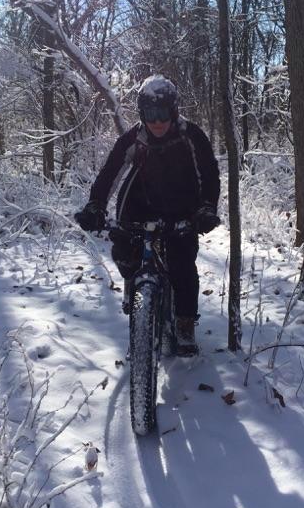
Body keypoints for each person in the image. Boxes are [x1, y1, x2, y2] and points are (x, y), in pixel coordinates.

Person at [75, 75, 220, 356]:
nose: (157, 122)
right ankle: (135, 286)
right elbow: (110, 173)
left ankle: (185, 324)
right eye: (150, 114)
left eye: (163, 113)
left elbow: (209, 174)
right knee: (124, 252)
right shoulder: (134, 139)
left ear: (173, 111)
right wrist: (96, 205)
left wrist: (206, 208)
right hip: (139, 205)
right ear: (142, 114)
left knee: (183, 266)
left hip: (183, 207)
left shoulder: (192, 136)